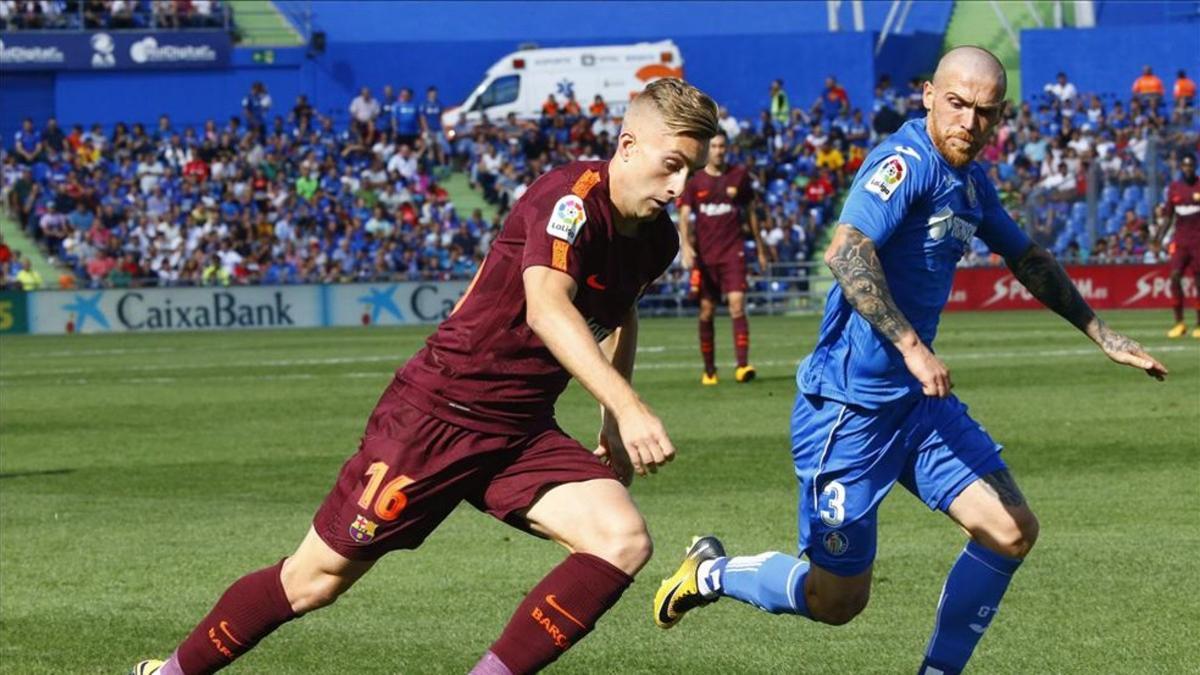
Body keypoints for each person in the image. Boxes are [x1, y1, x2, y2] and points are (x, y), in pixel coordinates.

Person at [131, 77, 719, 675]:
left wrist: (610, 424)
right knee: (314, 580)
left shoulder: (657, 239)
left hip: (519, 431)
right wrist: (629, 406)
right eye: (671, 165)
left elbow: (620, 313)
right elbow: (548, 308)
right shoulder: (567, 199)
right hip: (436, 415)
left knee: (621, 539)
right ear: (627, 146)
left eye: (690, 172)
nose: (678, 187)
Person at [653, 46, 1168, 675]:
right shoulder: (904, 163)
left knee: (1010, 530)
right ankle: (711, 572)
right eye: (957, 104)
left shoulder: (972, 181)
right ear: (928, 95)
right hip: (848, 412)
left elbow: (1027, 258)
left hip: (917, 410)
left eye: (985, 113)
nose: (969, 124)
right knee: (837, 601)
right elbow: (846, 253)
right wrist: (912, 348)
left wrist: (1102, 333)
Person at [677, 130, 764, 385]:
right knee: (706, 311)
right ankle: (710, 370)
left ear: (728, 148)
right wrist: (686, 246)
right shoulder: (695, 180)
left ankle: (742, 365)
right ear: (707, 149)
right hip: (705, 256)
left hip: (733, 252)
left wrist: (759, 248)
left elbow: (751, 213)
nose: (719, 150)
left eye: (722, 146)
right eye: (714, 146)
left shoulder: (739, 176)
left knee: (737, 305)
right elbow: (683, 215)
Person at [1161, 152, 1200, 339]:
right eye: (1185, 165)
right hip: (1180, 240)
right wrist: (1158, 238)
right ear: (1181, 168)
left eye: (1191, 165)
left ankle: (1199, 324)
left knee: (1199, 281)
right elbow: (1168, 216)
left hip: (1198, 240)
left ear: (1195, 166)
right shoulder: (1174, 188)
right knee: (1175, 277)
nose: (1188, 168)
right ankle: (1179, 323)